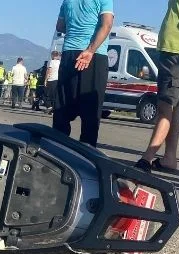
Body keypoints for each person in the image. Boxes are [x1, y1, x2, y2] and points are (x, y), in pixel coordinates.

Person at [136, 0, 179, 171]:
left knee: (166, 105)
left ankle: (147, 158)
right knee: (172, 105)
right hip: (176, 45)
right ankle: (169, 157)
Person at [52, 0, 114, 148]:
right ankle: (85, 156)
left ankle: (56, 150)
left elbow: (60, 26)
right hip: (93, 55)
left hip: (69, 54)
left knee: (63, 108)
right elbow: (107, 24)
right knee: (90, 113)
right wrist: (90, 50)